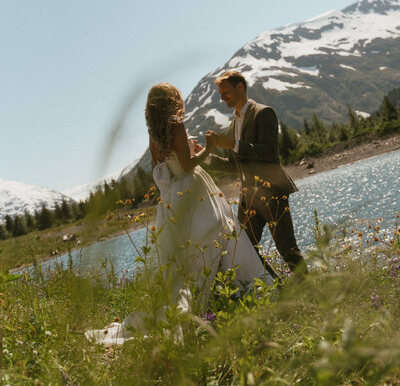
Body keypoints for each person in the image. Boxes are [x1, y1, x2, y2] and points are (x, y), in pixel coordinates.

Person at [86, 83, 273, 346]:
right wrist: (205, 149)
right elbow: (187, 165)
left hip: (173, 196)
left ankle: (203, 303)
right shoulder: (176, 125)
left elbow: (164, 167)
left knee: (189, 256)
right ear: (172, 101)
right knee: (217, 237)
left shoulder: (154, 135)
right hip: (194, 191)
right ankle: (234, 293)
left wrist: (185, 153)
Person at [206, 71, 307, 277]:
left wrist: (233, 144)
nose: (222, 97)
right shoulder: (233, 123)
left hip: (272, 193)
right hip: (248, 199)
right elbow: (234, 165)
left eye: (225, 92)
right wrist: (204, 157)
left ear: (240, 87)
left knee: (288, 250)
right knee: (245, 250)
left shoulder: (264, 112)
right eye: (220, 93)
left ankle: (312, 295)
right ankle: (279, 287)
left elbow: (269, 152)